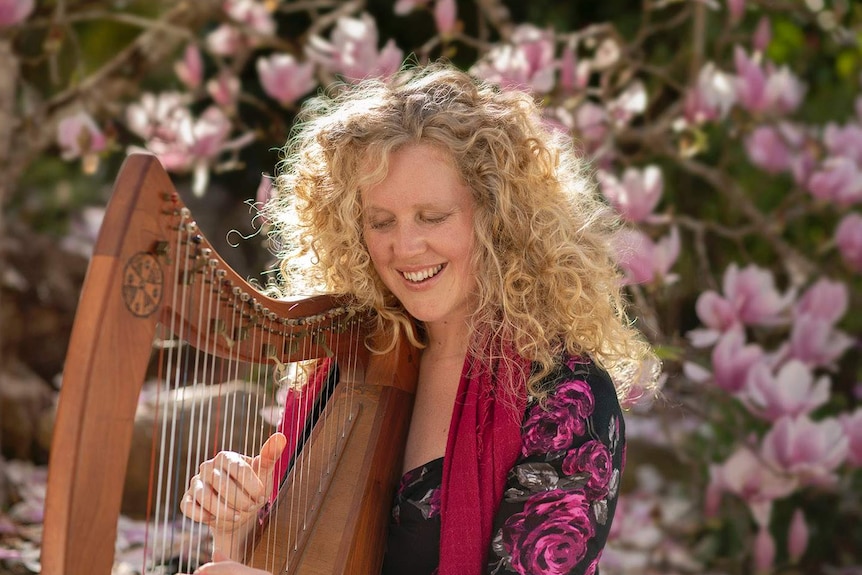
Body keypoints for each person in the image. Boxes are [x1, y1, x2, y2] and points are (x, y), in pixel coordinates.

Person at [180, 61, 658, 575]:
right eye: (380, 222)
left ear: (500, 219)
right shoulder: (352, 367)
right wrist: (239, 523)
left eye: (433, 217)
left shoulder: (568, 399)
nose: (404, 247)